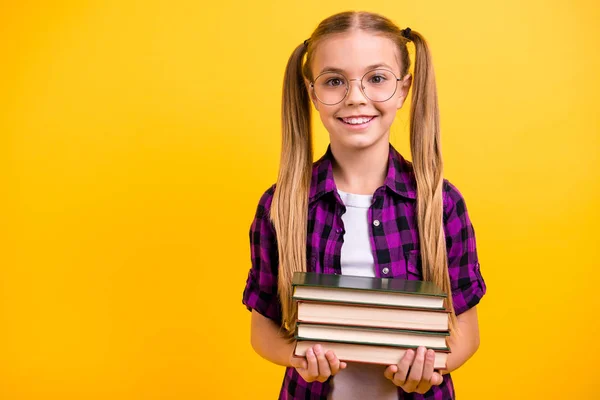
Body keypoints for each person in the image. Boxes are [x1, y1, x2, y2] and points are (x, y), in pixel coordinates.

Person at [242, 10, 486, 400]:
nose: (356, 97)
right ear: (312, 92)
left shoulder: (441, 204)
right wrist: (299, 356)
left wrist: (431, 369)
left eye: (376, 79)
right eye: (335, 81)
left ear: (404, 88)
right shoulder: (281, 206)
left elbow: (466, 336)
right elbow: (262, 331)